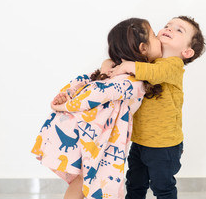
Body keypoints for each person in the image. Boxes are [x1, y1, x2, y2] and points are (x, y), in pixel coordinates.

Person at [31, 18, 162, 199]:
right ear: (143, 48)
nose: (159, 39)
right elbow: (95, 91)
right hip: (93, 134)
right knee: (100, 183)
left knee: (86, 180)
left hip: (99, 135)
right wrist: (64, 102)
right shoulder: (132, 81)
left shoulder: (126, 73)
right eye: (154, 36)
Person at [108, 16, 206, 199]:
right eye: (167, 25)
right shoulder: (148, 61)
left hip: (164, 145)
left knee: (163, 187)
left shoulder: (173, 65)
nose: (168, 29)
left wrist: (129, 66)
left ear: (187, 52)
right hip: (140, 140)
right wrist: (112, 65)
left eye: (179, 30)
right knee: (135, 183)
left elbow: (155, 73)